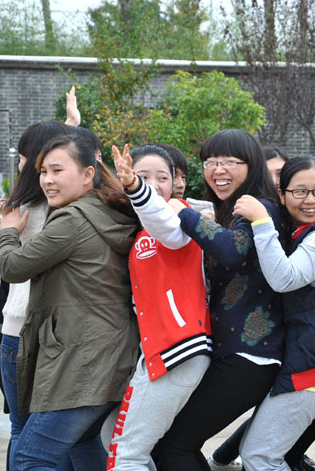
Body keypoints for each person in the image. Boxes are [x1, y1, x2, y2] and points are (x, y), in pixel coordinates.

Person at [0, 134, 140, 470]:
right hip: (110, 356)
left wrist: (8, 232)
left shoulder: (71, 220)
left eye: (57, 170)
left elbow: (12, 267)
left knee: (30, 456)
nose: (47, 180)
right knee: (85, 444)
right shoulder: (106, 209)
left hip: (83, 364)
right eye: (43, 171)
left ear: (88, 174)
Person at [156, 129, 286, 471]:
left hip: (250, 356)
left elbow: (232, 251)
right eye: (210, 162)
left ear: (252, 164)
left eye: (229, 161)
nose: (218, 170)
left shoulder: (261, 206)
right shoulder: (230, 211)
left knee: (174, 447)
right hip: (234, 353)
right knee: (174, 445)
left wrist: (181, 211)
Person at [234, 156, 315, 471]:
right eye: (300, 192)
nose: (310, 200)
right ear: (282, 195)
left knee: (259, 456)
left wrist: (261, 221)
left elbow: (285, 278)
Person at [102, 144, 212, 471]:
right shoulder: (138, 226)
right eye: (143, 176)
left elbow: (166, 227)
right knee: (114, 437)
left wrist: (135, 185)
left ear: (176, 182)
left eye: (162, 177)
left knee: (125, 456)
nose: (153, 184)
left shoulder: (180, 216)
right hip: (158, 352)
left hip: (179, 348)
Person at [0, 120, 71, 470]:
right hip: (62, 333)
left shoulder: (17, 209)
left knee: (22, 428)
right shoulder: (75, 206)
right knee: (59, 434)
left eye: (20, 157)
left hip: (17, 330)